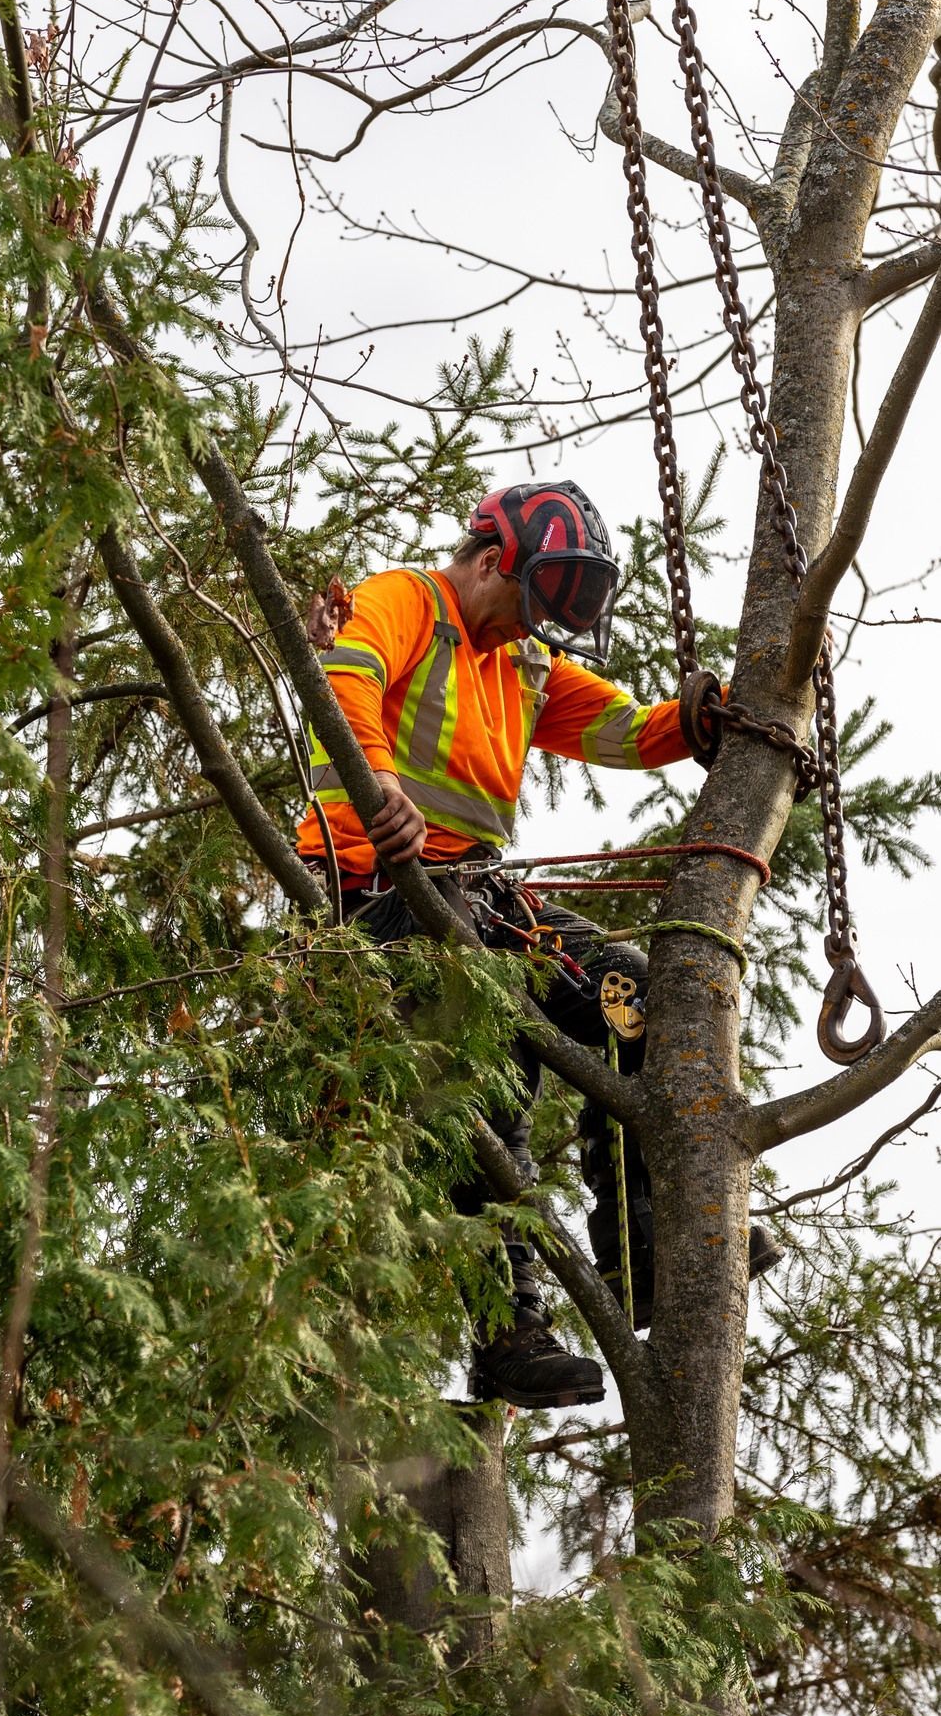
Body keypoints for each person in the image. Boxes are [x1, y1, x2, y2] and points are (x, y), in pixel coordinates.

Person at [296, 481, 780, 1409]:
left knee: (634, 995)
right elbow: (342, 684)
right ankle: (507, 1330)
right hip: (383, 897)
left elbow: (621, 727)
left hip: (480, 893)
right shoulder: (405, 600)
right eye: (528, 605)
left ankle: (640, 1239)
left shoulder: (518, 663)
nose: (531, 629)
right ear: (488, 564)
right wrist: (378, 791)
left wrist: (696, 722)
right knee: (491, 1086)